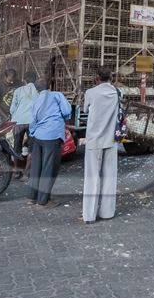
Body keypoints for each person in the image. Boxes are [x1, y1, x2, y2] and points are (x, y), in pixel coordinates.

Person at [82, 68, 121, 224]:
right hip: (111, 139)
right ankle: (107, 212)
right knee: (110, 176)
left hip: (94, 140)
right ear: (111, 78)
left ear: (97, 78)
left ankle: (89, 215)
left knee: (92, 177)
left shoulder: (90, 93)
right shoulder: (118, 93)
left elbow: (85, 109)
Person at [28, 73, 72, 208]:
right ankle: (43, 200)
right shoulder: (57, 95)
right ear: (49, 86)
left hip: (37, 136)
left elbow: (33, 119)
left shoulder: (35, 100)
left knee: (36, 167)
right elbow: (66, 111)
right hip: (52, 135)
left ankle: (32, 197)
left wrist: (33, 133)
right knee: (49, 168)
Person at [9, 71, 40, 177]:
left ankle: (16, 171)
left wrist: (15, 116)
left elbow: (12, 109)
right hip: (32, 122)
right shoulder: (38, 91)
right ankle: (27, 173)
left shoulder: (18, 90)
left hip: (18, 121)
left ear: (24, 80)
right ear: (35, 80)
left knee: (16, 146)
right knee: (31, 148)